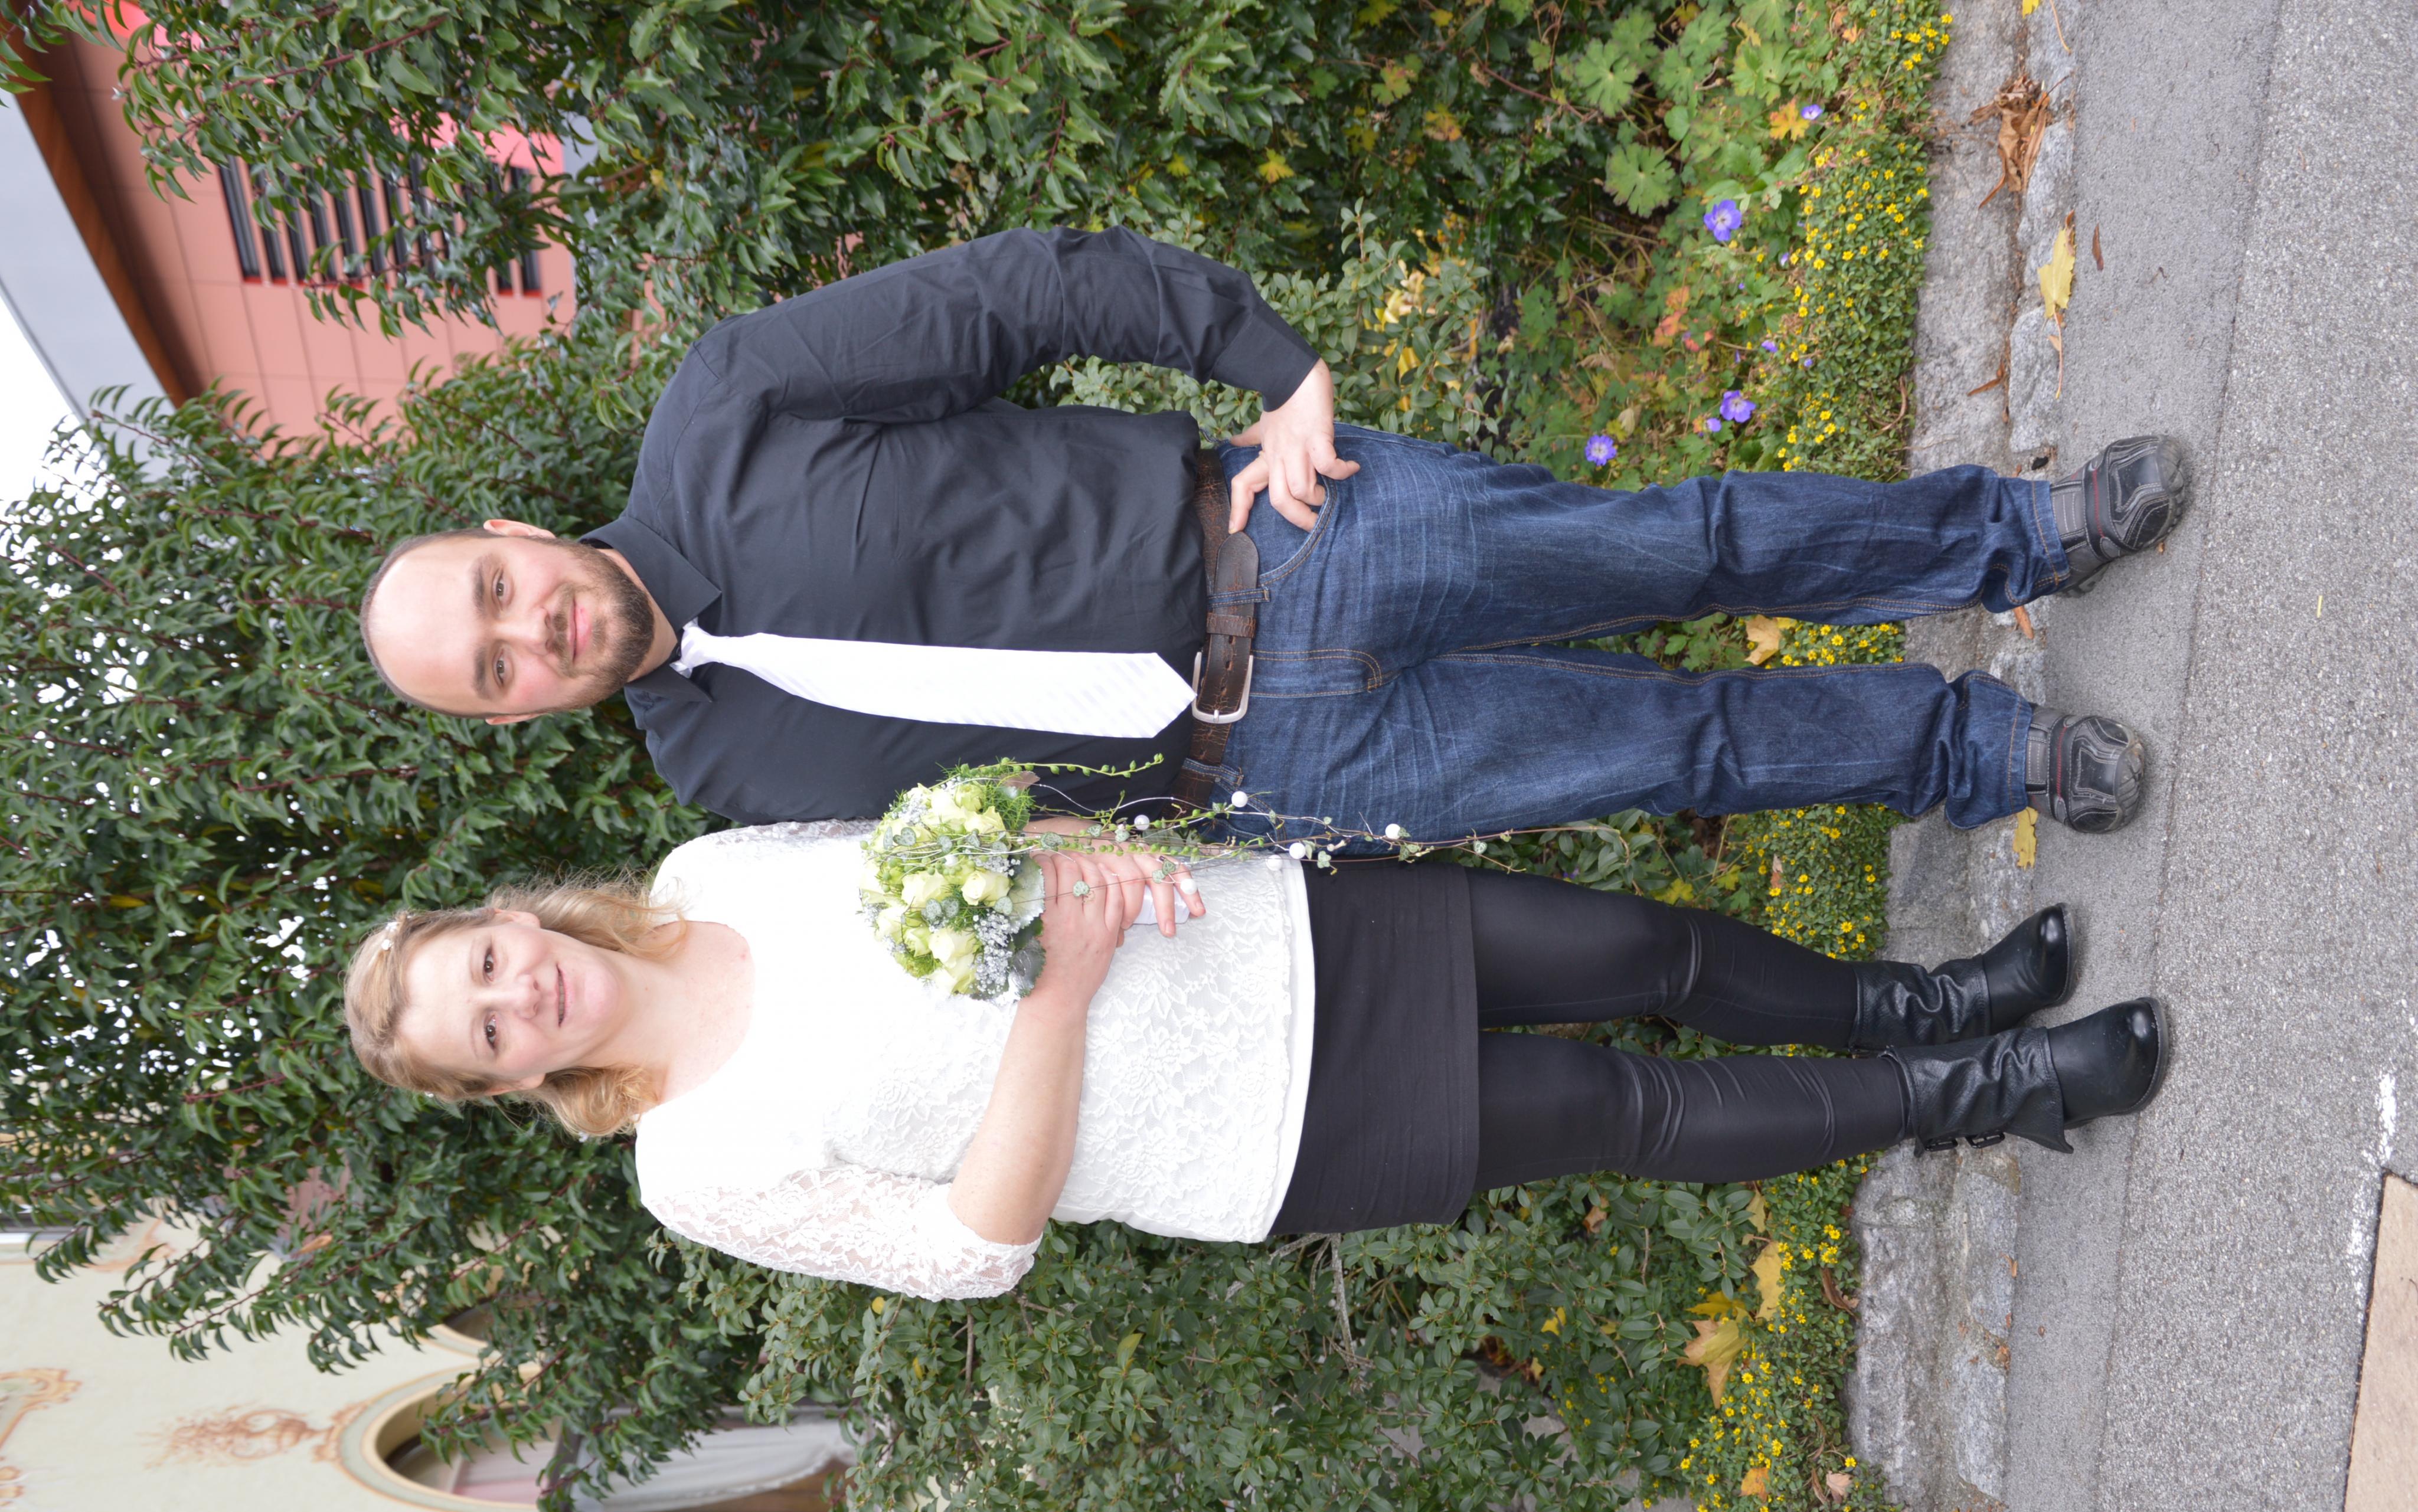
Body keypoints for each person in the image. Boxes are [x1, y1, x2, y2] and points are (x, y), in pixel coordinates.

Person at [353, 226, 2188, 851]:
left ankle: (2020, 536)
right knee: (1675, 747)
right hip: (1279, 764)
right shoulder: (721, 782)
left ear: (511, 532)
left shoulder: (727, 409)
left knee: (1682, 540)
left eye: (497, 593)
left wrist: (1266, 361)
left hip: (1287, 536)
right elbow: (985, 860)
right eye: (494, 669)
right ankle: (1979, 753)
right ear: (512, 716)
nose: (533, 632)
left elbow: (1012, 296)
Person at [342, 824, 2167, 1301]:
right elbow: (972, 1247)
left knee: (1648, 948)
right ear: (505, 1084)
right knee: (1632, 1103)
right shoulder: (690, 1169)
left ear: (506, 919)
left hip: (1263, 931)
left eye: (484, 964)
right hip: (1257, 1125)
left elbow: (947, 840)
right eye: (485, 1033)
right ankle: (2005, 1091)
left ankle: (1936, 1000)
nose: (520, 997)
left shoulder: (707, 875)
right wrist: (1056, 1001)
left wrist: (1083, 856)